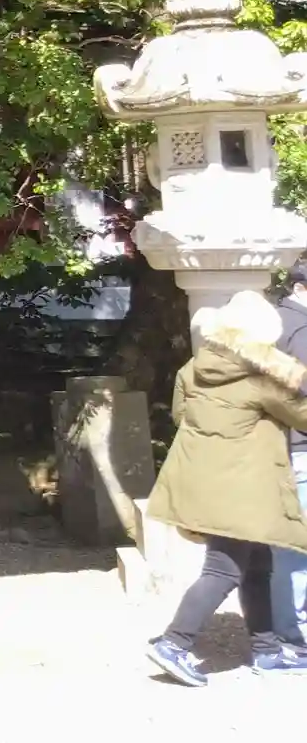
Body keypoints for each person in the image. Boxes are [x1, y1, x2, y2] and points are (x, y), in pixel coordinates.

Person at [145, 292, 307, 684]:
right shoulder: (263, 375)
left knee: (258, 566)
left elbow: (182, 415)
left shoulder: (194, 367)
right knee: (223, 570)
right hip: (243, 487)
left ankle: (267, 650)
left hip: (207, 479)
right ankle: (174, 643)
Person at [274, 261, 307, 648]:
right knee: (297, 549)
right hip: (300, 447)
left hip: (289, 445)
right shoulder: (299, 329)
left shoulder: (278, 321)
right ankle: (293, 634)